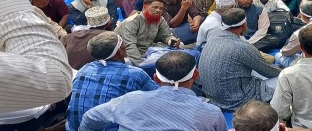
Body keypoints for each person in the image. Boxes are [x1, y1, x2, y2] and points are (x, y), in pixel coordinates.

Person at [80, 51, 226, 131]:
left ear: (155, 78)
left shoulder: (129, 100)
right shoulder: (211, 113)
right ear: (195, 75)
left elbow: (90, 118)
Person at [66, 31, 157, 131]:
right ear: (119, 51)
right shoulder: (135, 74)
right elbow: (158, 98)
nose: (125, 48)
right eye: (123, 46)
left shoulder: (85, 69)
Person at [199, 8, 281, 111]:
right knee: (284, 79)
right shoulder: (242, 47)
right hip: (237, 100)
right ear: (244, 25)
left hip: (212, 97)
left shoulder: (213, 34)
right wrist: (283, 71)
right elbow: (271, 72)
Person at [115, 0, 180, 66]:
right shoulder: (132, 21)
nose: (158, 10)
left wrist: (172, 41)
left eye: (161, 8)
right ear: (144, 7)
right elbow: (130, 45)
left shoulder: (160, 19)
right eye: (155, 7)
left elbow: (166, 35)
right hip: (127, 53)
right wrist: (141, 65)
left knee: (177, 54)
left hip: (147, 49)